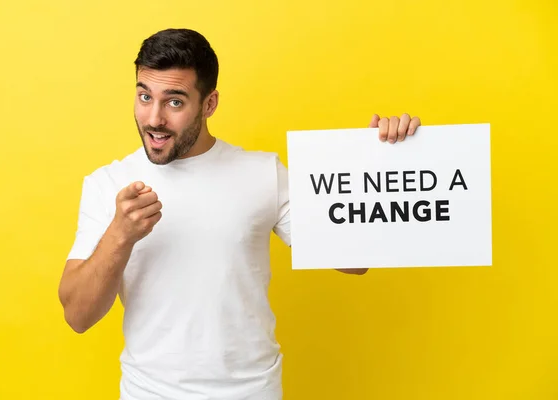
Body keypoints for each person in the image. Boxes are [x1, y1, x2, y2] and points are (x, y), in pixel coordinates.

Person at [58, 28, 422, 400]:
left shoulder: (263, 173)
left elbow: (355, 262)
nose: (154, 118)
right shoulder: (108, 183)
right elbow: (78, 316)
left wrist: (379, 167)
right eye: (144, 96)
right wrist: (120, 234)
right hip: (148, 393)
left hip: (251, 392)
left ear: (209, 103)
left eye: (175, 102)